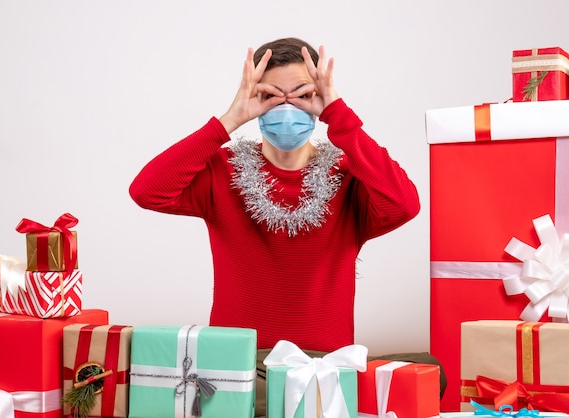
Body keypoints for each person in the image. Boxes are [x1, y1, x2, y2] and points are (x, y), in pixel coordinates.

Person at [129, 37, 445, 416]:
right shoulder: (222, 172)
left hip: (325, 366)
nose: (287, 104)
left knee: (430, 373)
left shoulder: (347, 176)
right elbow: (147, 191)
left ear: (318, 96)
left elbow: (404, 204)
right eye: (272, 95)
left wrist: (338, 115)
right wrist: (228, 120)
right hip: (241, 364)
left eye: (301, 93)